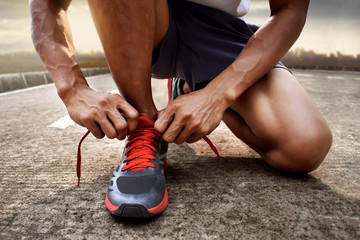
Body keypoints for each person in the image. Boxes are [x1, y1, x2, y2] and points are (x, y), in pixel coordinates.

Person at [30, 0, 332, 218]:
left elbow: (290, 9)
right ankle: (145, 127)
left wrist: (216, 96)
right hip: (138, 15)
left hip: (219, 29)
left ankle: (190, 86)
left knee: (305, 145)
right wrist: (72, 89)